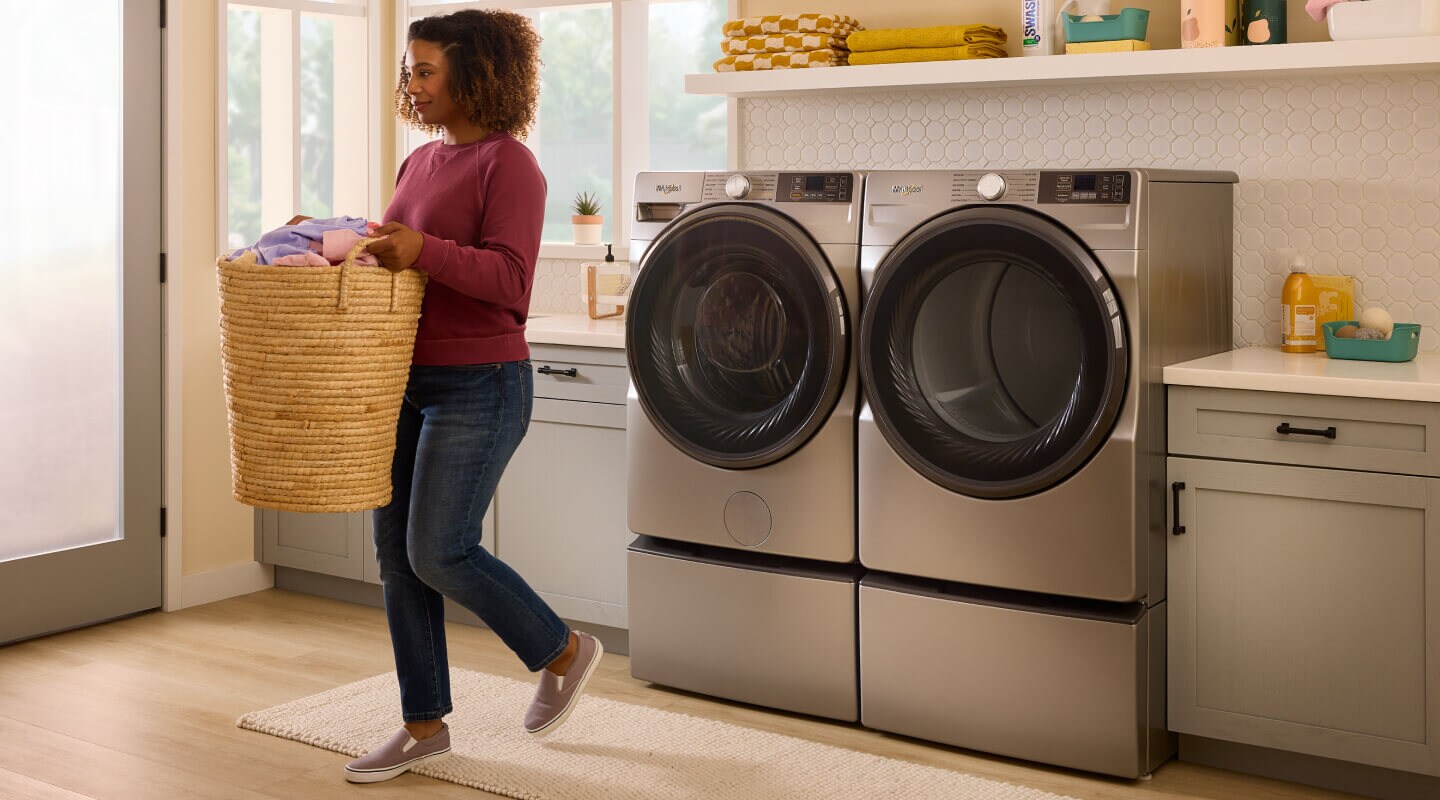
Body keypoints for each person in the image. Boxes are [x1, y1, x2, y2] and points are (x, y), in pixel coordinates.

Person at [328, 9, 603, 785]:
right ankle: (423, 725)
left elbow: (511, 283)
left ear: (474, 75)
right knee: (397, 556)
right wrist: (333, 237)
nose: (411, 86)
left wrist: (424, 250)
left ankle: (562, 651)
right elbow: (399, 249)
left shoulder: (510, 166)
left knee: (437, 548)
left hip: (482, 381)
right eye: (408, 71)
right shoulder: (419, 165)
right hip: (407, 379)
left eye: (425, 71)